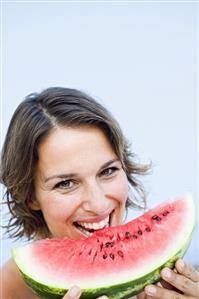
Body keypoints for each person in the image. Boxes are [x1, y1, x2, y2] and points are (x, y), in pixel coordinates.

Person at [1, 87, 198, 299]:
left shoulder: (174, 283)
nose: (98, 204)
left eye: (108, 171)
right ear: (29, 195)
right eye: (66, 183)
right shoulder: (10, 289)